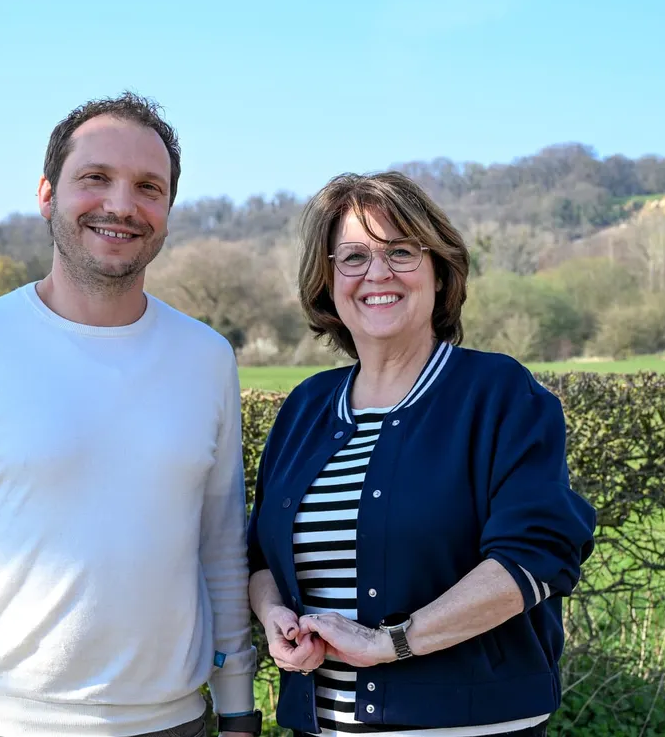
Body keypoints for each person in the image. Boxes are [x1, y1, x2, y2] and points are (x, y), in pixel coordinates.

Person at [0, 94, 260, 737]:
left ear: (167, 209)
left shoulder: (207, 357)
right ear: (47, 194)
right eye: (96, 177)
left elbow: (219, 546)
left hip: (175, 724)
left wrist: (239, 705)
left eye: (148, 187)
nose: (121, 205)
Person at [246, 172, 596, 737]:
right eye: (353, 257)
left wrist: (391, 643)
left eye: (401, 252)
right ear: (328, 281)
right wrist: (274, 617)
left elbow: (536, 556)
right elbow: (260, 557)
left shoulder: (498, 394)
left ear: (439, 270)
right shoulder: (305, 407)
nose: (377, 273)